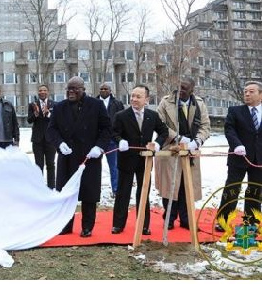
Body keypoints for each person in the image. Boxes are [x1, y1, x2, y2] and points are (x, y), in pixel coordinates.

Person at [46, 76, 111, 237]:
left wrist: (99, 146)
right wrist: (59, 143)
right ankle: (65, 225)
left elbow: (106, 129)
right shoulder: (59, 107)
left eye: (74, 89)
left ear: (83, 89)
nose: (71, 92)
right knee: (66, 193)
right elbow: (51, 130)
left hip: (89, 157)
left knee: (89, 194)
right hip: (67, 157)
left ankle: (87, 227)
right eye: (68, 89)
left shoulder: (96, 105)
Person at [111, 85, 168, 235]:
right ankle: (118, 224)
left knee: (143, 193)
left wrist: (157, 143)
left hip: (145, 161)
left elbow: (164, 131)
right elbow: (114, 133)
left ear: (146, 100)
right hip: (126, 160)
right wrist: (120, 141)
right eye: (133, 96)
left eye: (138, 96)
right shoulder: (121, 115)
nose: (134, 99)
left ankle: (143, 224)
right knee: (123, 192)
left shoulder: (152, 115)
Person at [156, 78, 210, 230]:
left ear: (192, 90)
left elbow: (205, 126)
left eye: (184, 88)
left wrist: (196, 142)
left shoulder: (199, 104)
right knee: (170, 186)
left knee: (187, 186)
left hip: (190, 151)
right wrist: (178, 138)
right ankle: (169, 218)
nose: (180, 90)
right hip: (170, 149)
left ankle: (186, 220)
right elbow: (160, 124)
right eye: (178, 86)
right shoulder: (165, 102)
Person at [216, 81, 262, 230]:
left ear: (260, 94)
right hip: (238, 157)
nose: (247, 94)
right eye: (245, 91)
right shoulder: (235, 111)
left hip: (259, 159)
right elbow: (229, 129)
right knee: (232, 188)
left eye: (251, 91)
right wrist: (237, 144)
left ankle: (251, 222)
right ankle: (223, 220)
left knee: (254, 190)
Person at [96, 82, 125, 197]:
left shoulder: (117, 104)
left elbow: (122, 121)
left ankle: (116, 189)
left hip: (112, 140)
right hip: (97, 140)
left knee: (114, 166)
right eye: (101, 89)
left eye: (106, 89)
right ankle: (95, 190)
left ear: (110, 91)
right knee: (95, 167)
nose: (103, 90)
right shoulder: (94, 103)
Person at [27, 84, 56, 188]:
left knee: (51, 165)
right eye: (40, 90)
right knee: (38, 165)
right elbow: (29, 120)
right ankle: (39, 188)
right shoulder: (32, 104)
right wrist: (35, 114)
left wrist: (48, 114)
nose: (42, 92)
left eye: (44, 90)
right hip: (37, 140)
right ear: (38, 92)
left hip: (50, 140)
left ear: (47, 92)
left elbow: (56, 120)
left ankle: (51, 188)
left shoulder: (54, 104)